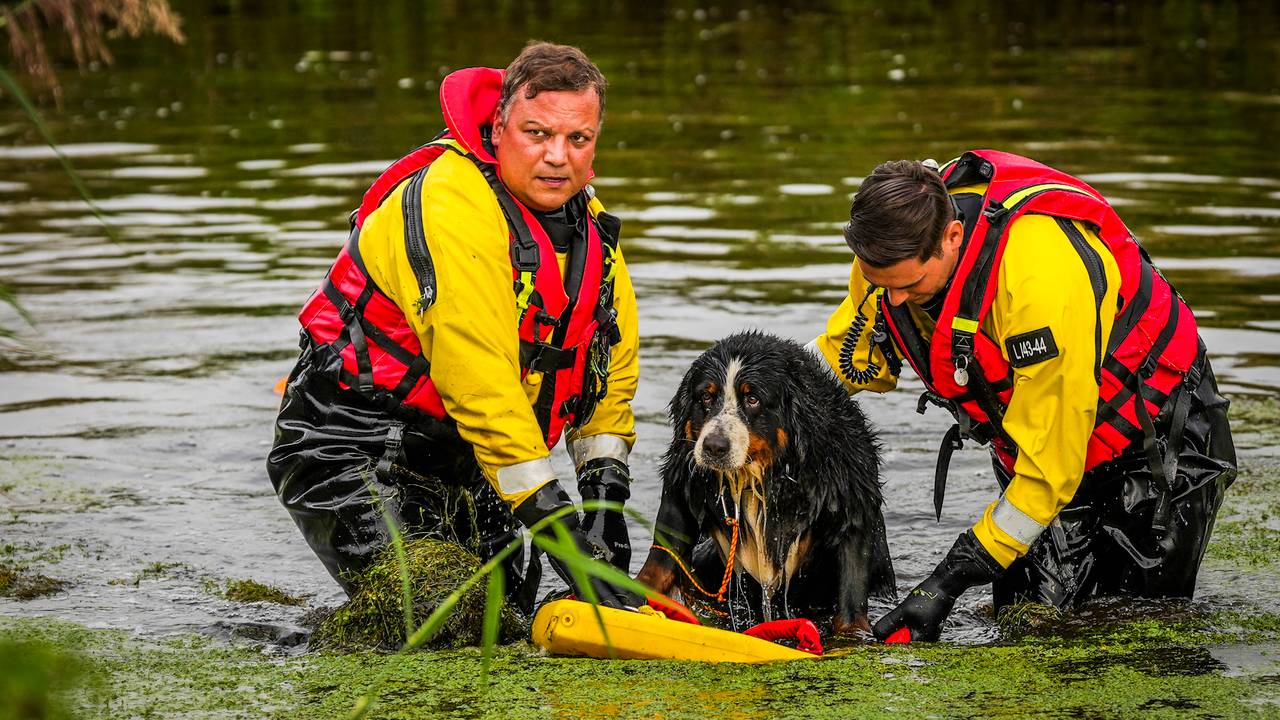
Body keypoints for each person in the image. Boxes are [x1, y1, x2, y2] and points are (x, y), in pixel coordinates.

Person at [267, 41, 639, 611]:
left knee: (510, 616)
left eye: (578, 139)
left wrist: (606, 505)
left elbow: (605, 366)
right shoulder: (451, 205)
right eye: (537, 134)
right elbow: (481, 383)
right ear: (497, 129)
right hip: (353, 443)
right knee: (441, 616)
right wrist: (563, 536)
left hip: (472, 463)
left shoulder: (589, 226)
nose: (558, 157)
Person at [811, 150, 1236, 641]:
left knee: (1124, 635)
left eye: (909, 285)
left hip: (1155, 445)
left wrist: (948, 578)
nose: (896, 300)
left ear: (951, 237)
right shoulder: (889, 255)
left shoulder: (1041, 283)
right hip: (1037, 438)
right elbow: (846, 356)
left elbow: (1050, 467)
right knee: (1020, 622)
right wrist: (744, 389)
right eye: (879, 283)